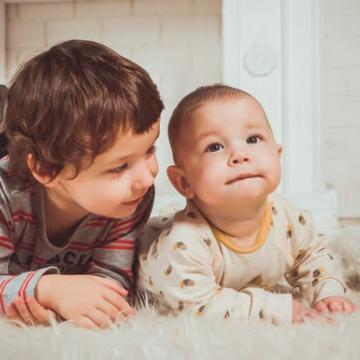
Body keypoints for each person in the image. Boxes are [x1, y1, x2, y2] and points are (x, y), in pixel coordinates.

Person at [138, 84, 357, 325]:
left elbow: (314, 256)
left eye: (253, 139)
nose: (240, 154)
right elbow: (198, 306)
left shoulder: (286, 216)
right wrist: (273, 308)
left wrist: (328, 292)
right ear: (183, 182)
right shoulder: (182, 244)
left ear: (277, 154)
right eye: (215, 147)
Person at [0, 40, 163, 329]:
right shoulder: (6, 197)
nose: (147, 178)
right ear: (46, 169)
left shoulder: (130, 200)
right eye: (120, 166)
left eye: (150, 150)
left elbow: (112, 282)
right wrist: (46, 289)